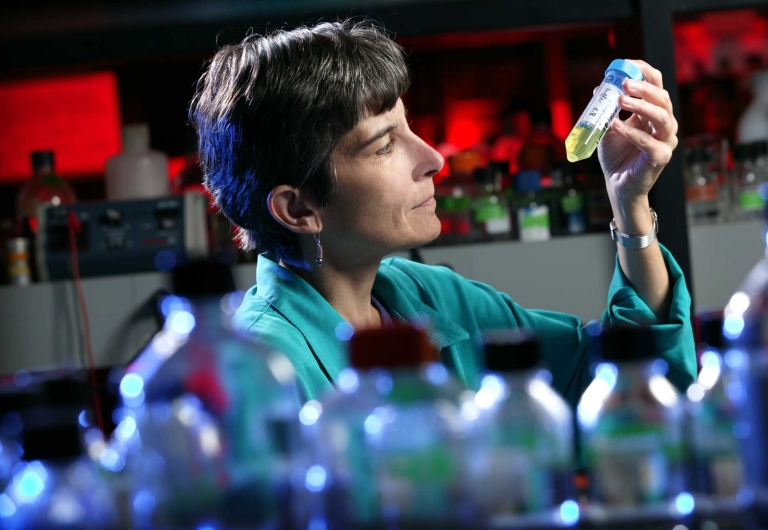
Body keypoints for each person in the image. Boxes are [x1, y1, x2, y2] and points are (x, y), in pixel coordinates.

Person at [189, 20, 694, 405]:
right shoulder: (262, 370)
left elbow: (617, 380)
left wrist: (629, 204)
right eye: (384, 146)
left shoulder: (428, 297)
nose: (434, 159)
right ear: (298, 209)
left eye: (408, 128)